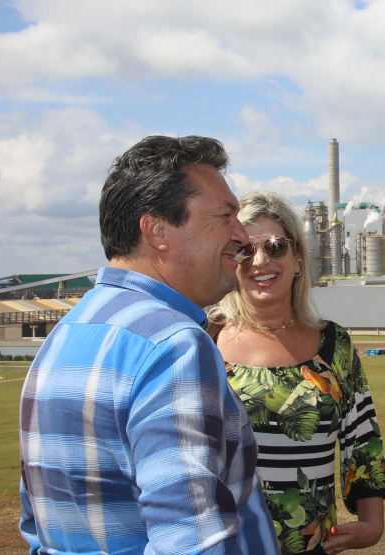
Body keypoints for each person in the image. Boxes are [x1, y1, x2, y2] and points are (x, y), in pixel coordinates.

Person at [19, 136, 281, 554]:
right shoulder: (173, 345)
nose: (241, 236)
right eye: (225, 216)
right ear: (157, 229)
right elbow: (193, 541)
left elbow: (40, 527)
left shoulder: (65, 334)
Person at [207, 191, 385, 555]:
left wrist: (372, 522)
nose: (260, 260)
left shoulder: (333, 344)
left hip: (311, 546)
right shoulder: (203, 340)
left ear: (298, 259)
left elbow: (362, 437)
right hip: (225, 545)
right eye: (245, 249)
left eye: (275, 247)